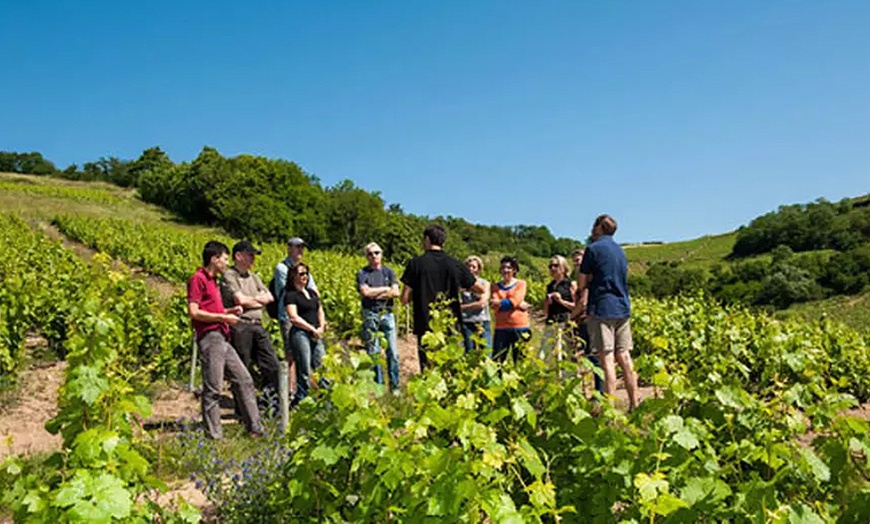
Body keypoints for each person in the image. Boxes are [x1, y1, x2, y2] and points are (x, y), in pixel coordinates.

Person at [187, 240, 263, 439]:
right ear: (214, 259)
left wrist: (229, 311)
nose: (227, 263)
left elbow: (214, 309)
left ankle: (255, 428)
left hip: (222, 337)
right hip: (211, 338)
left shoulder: (213, 281)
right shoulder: (198, 279)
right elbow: (194, 312)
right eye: (224, 259)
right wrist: (223, 317)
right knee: (213, 388)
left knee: (244, 379)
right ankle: (214, 437)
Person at [574, 215, 639, 410]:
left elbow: (582, 283)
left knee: (607, 360)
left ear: (600, 228)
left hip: (602, 308)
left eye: (594, 226)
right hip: (622, 307)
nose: (592, 229)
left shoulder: (592, 249)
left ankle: (609, 410)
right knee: (625, 357)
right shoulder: (620, 251)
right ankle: (634, 403)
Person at [401, 224, 483, 371]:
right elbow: (479, 288)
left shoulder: (415, 263)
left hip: (424, 322)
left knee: (428, 366)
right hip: (450, 322)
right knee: (452, 365)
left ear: (426, 240)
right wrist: (460, 286)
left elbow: (404, 298)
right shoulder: (455, 264)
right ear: (443, 242)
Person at [220, 241, 280, 403]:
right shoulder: (230, 275)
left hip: (257, 324)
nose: (253, 258)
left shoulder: (254, 277)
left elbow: (269, 298)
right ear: (238, 256)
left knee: (272, 365)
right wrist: (258, 300)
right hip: (240, 325)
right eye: (250, 255)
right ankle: (241, 409)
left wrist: (251, 300)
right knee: (242, 368)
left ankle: (268, 403)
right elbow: (240, 300)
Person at [274, 237, 318, 391]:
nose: (300, 250)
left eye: (302, 247)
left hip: (306, 317)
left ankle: (299, 388)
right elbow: (291, 290)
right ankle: (289, 389)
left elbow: (314, 293)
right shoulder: (281, 268)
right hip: (289, 317)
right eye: (297, 247)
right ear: (289, 248)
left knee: (307, 355)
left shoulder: (303, 269)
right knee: (291, 354)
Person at [357, 242, 400, 391]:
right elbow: (365, 293)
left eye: (376, 253)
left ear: (381, 254)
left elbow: (396, 293)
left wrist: (375, 292)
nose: (374, 256)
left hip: (387, 314)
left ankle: (395, 387)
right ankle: (379, 387)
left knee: (393, 352)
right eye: (370, 253)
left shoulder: (389, 272)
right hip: (370, 314)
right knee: (374, 352)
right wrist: (386, 289)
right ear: (366, 256)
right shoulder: (362, 273)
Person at [284, 262, 327, 406]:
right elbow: (293, 317)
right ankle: (302, 400)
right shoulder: (290, 295)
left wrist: (321, 327)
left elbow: (319, 310)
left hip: (316, 333)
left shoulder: (313, 293)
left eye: (306, 273)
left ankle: (325, 398)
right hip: (301, 334)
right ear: (293, 276)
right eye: (301, 273)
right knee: (303, 368)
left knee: (322, 366)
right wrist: (311, 329)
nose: (305, 276)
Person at [571, 249, 604, 394]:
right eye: (575, 261)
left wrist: (571, 317)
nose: (577, 263)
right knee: (588, 356)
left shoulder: (588, 279)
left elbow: (583, 302)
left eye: (580, 260)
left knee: (592, 357)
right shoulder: (582, 278)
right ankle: (593, 391)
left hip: (587, 320)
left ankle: (599, 392)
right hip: (584, 320)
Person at [490, 256, 531, 364]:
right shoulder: (495, 286)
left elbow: (515, 300)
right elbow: (494, 305)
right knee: (497, 359)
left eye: (509, 267)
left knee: (520, 360)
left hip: (520, 327)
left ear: (514, 270)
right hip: (501, 327)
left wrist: (503, 303)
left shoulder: (521, 284)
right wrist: (516, 305)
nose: (505, 270)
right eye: (503, 267)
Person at [539, 255, 575, 366]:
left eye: (556, 265)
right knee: (543, 353)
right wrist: (547, 303)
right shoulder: (550, 286)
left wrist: (561, 301)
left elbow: (576, 306)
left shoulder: (570, 284)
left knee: (565, 353)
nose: (553, 268)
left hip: (565, 322)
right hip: (551, 321)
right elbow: (545, 312)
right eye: (550, 266)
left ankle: (566, 379)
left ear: (564, 267)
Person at [460, 256, 492, 352]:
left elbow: (482, 303)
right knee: (469, 350)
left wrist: (462, 307)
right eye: (468, 266)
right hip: (466, 321)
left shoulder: (485, 283)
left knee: (486, 350)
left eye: (473, 267)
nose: (470, 269)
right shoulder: (460, 284)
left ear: (478, 269)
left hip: (482, 320)